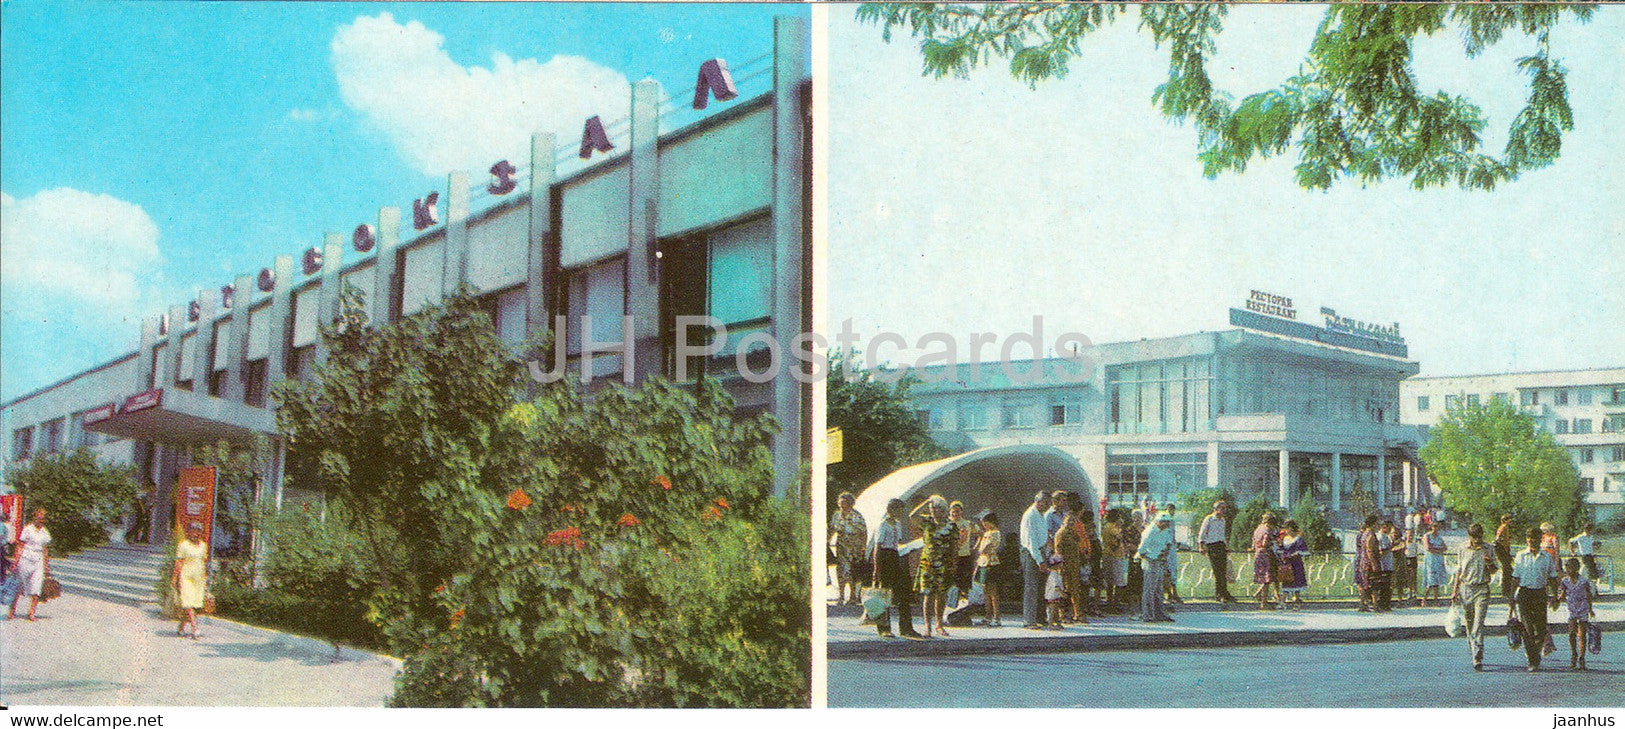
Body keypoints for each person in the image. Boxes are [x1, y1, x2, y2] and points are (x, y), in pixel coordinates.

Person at [870, 498, 921, 639]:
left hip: (895, 555)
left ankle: (906, 628)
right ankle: (884, 628)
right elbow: (878, 546)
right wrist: (876, 568)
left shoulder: (897, 525)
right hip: (884, 557)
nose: (900, 513)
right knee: (884, 593)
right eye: (898, 510)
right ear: (890, 510)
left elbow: (897, 544)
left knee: (904, 593)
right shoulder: (882, 525)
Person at [1450, 523, 1497, 671]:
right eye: (1474, 537)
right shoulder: (1463, 548)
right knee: (1469, 623)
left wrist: (1489, 564)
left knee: (1478, 623)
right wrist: (1455, 590)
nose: (1477, 540)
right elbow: (1459, 570)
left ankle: (1478, 656)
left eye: (1479, 537)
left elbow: (1495, 569)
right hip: (1466, 588)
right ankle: (1473, 648)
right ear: (1469, 536)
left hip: (1482, 588)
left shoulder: (1488, 548)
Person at [912, 495, 958, 638]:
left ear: (943, 510)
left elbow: (954, 546)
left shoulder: (951, 525)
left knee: (942, 594)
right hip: (928, 563)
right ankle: (927, 625)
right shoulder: (927, 522)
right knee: (928, 595)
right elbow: (912, 516)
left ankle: (939, 624)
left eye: (936, 508)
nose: (932, 511)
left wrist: (953, 564)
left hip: (944, 563)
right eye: (931, 508)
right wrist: (926, 502)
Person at [1511, 526, 1556, 672]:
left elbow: (1552, 578)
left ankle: (1534, 653)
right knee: (1527, 629)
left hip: (1540, 594)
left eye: (1535, 538)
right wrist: (1511, 597)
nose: (1532, 541)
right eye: (1529, 538)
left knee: (1541, 630)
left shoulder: (1547, 557)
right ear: (1527, 539)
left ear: (1540, 540)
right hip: (1524, 594)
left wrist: (1555, 596)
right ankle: (1533, 660)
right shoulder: (1520, 556)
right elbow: (1515, 578)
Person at [8, 508, 51, 622]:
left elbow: (45, 549)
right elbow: (20, 545)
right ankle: (12, 610)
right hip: (26, 558)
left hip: (38, 559)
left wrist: (46, 565)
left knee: (36, 586)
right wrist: (15, 561)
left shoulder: (44, 532)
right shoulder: (27, 529)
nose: (40, 521)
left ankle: (31, 612)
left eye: (42, 519)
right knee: (20, 584)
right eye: (39, 518)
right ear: (34, 518)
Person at [1019, 491, 1054, 629]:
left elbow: (1043, 536)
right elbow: (1031, 541)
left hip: (1041, 551)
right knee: (1031, 587)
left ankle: (1040, 617)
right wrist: (1039, 560)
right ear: (1038, 502)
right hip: (1031, 553)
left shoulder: (1041, 515)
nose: (1048, 506)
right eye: (1046, 503)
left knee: (1041, 587)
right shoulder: (1030, 515)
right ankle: (1029, 620)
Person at [1556, 557, 1596, 671]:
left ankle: (1582, 658)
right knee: (1571, 633)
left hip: (1583, 608)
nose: (1568, 570)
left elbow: (1588, 595)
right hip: (1571, 609)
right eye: (1567, 567)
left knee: (1582, 634)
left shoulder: (1583, 581)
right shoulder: (1565, 581)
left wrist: (1590, 609)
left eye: (1571, 567)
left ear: (1577, 568)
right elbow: (1562, 594)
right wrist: (1557, 600)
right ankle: (1574, 654)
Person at [829, 492, 868, 606]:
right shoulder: (837, 515)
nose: (841, 505)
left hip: (854, 546)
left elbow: (863, 532)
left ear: (850, 503)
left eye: (844, 503)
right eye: (840, 503)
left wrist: (862, 548)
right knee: (841, 571)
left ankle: (852, 596)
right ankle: (841, 596)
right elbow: (832, 529)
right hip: (841, 545)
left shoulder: (857, 516)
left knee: (852, 571)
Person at [1051, 508, 1089, 624]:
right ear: (1064, 522)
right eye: (1069, 522)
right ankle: (1062, 615)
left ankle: (1077, 614)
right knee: (1063, 590)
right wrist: (1060, 565)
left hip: (1074, 564)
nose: (1071, 524)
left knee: (1075, 590)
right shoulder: (1060, 533)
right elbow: (1058, 550)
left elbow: (1079, 546)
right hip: (1065, 565)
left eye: (1073, 522)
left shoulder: (1074, 533)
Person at [1136, 512, 1176, 622]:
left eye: (1168, 522)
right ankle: (1147, 615)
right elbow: (1141, 550)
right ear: (1158, 522)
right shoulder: (1150, 531)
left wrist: (1165, 554)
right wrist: (1150, 557)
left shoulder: (1166, 531)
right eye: (1165, 522)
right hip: (1150, 560)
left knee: (1159, 589)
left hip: (1160, 560)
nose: (1167, 524)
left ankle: (1159, 614)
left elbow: (1168, 543)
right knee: (1149, 589)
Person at [174, 523, 209, 639]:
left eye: (198, 531)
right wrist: (175, 578)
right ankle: (195, 629)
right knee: (188, 603)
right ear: (189, 532)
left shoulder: (203, 546)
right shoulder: (183, 545)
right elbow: (179, 562)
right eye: (193, 531)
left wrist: (205, 578)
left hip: (198, 579)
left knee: (194, 604)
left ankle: (181, 628)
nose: (195, 534)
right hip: (186, 577)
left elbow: (203, 562)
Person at [1197, 501, 1235, 604]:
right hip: (1212, 545)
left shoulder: (1222, 520)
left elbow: (1222, 534)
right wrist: (1201, 546)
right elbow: (1202, 532)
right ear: (1216, 509)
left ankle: (1224, 592)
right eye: (1222, 508)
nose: (1224, 511)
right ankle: (1219, 594)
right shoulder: (1209, 519)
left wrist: (1226, 546)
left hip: (1220, 545)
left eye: (1224, 508)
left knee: (1223, 570)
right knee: (1217, 570)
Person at [973, 511, 1003, 627]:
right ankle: (987, 615)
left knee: (993, 592)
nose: (983, 525)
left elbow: (986, 548)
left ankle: (997, 617)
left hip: (991, 563)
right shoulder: (986, 533)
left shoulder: (995, 533)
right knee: (985, 591)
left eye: (985, 522)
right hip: (983, 563)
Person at [948, 501, 977, 607]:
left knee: (964, 584)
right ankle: (950, 606)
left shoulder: (967, 523)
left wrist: (974, 548)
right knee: (951, 583)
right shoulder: (946, 523)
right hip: (950, 556)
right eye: (953, 511)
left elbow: (979, 533)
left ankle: (962, 606)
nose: (955, 514)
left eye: (958, 511)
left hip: (964, 556)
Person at [1251, 513, 1280, 609]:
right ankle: (1263, 602)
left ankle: (1258, 594)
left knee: (1264, 577)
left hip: (1258, 554)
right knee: (1267, 578)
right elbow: (1265, 543)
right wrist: (1272, 543)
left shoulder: (1258, 528)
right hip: (1265, 554)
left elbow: (1253, 542)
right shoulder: (1267, 530)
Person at [1100, 510, 1128, 611]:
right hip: (1114, 556)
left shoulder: (1107, 526)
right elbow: (1119, 536)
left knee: (1111, 582)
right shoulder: (1111, 527)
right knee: (1118, 581)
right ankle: (1114, 604)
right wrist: (1120, 527)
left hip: (1111, 555)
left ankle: (1111, 603)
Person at [1279, 520, 1308, 607]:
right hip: (1287, 564)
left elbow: (1303, 551)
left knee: (1297, 582)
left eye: (1287, 529)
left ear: (1291, 529)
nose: (1286, 531)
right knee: (1286, 581)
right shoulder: (1285, 539)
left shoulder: (1298, 539)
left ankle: (1296, 601)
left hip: (1296, 563)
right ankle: (1283, 602)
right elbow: (1281, 549)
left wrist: (1295, 554)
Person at [1420, 520, 1449, 606]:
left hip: (1438, 560)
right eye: (1435, 526)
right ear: (1431, 527)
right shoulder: (1427, 536)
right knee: (1430, 580)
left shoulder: (1439, 537)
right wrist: (1438, 550)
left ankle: (1436, 600)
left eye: (1438, 527)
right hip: (1430, 560)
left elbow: (1445, 547)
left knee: (1437, 581)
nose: (1436, 528)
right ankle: (1424, 599)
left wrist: (1436, 549)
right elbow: (1428, 547)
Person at [1161, 502, 1182, 605]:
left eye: (1172, 510)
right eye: (1169, 510)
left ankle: (1174, 592)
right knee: (1166, 571)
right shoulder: (1162, 521)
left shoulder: (1172, 522)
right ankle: (1168, 593)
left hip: (1172, 549)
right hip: (1165, 548)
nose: (1171, 512)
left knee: (1173, 571)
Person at [1375, 521, 1397, 612]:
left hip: (1388, 564)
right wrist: (1392, 548)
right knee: (1383, 585)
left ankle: (1386, 604)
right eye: (1389, 528)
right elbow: (1381, 551)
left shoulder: (1386, 537)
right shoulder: (1380, 537)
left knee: (1387, 585)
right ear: (1385, 527)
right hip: (1384, 565)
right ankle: (1382, 604)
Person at [1494, 514, 1516, 606]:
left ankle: (1507, 589)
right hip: (1502, 549)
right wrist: (1501, 544)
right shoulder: (1503, 527)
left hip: (1504, 549)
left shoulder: (1504, 528)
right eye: (1509, 520)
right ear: (1505, 520)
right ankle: (1506, 590)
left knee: (1508, 569)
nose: (1511, 521)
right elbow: (1498, 538)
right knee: (1507, 569)